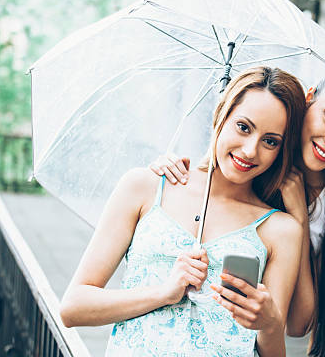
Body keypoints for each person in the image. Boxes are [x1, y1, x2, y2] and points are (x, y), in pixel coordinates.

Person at [59, 66, 307, 357]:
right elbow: (73, 307)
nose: (251, 150)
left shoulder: (281, 230)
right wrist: (164, 292)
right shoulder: (145, 187)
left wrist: (270, 323)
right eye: (243, 127)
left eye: (270, 141)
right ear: (221, 116)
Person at [151, 72, 325, 356]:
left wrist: (299, 218)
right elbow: (216, 168)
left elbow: (300, 323)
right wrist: (172, 166)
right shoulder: (256, 161)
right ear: (309, 97)